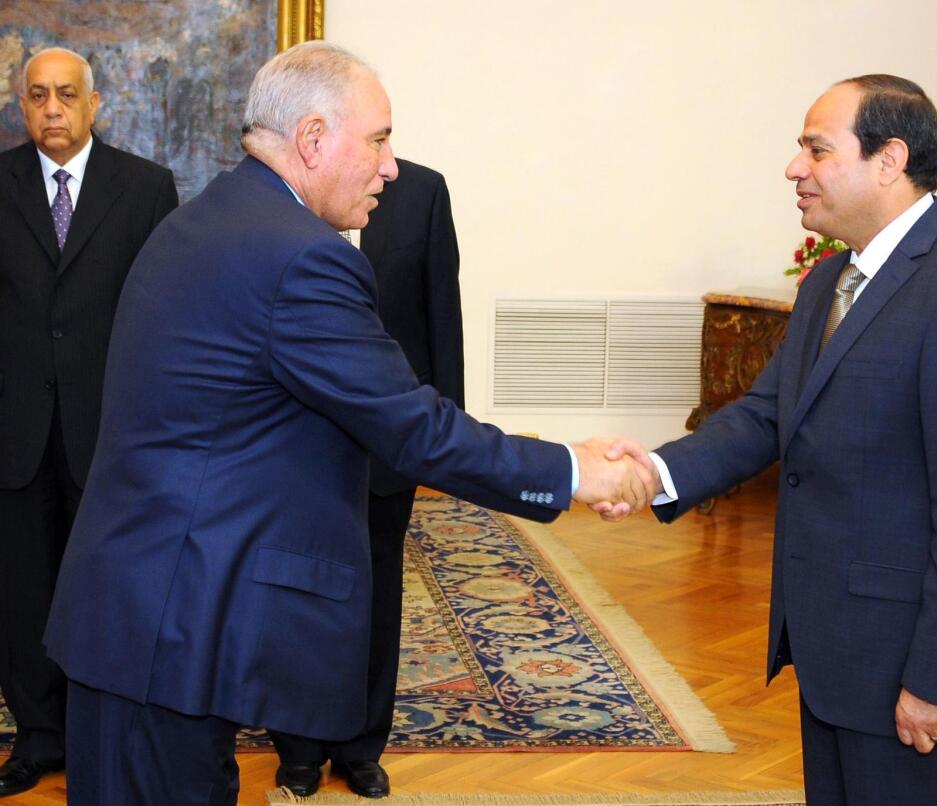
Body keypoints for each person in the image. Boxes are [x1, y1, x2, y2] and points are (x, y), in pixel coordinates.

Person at [41, 41, 650, 805]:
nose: (391, 167)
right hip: (172, 625)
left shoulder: (210, 218)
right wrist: (575, 469)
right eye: (380, 139)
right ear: (315, 139)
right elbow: (414, 428)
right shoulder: (299, 258)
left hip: (143, 610)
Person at [603, 75, 937, 804]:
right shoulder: (830, 281)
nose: (794, 169)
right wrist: (653, 472)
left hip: (907, 665)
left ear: (890, 159)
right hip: (833, 648)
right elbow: (764, 416)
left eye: (816, 148)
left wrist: (936, 679)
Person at [0, 47, 177, 797]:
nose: (52, 110)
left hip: (110, 432)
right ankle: (40, 737)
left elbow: (166, 317)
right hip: (15, 432)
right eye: (37, 96)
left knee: (109, 591)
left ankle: (103, 735)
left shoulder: (144, 188)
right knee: (22, 591)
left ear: (95, 103)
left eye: (66, 96)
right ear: (21, 103)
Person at [269, 159, 466, 797]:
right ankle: (297, 746)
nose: (381, 152)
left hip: (391, 441)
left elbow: (442, 313)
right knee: (293, 591)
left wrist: (445, 438)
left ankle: (360, 744)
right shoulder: (281, 192)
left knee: (379, 591)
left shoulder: (422, 192)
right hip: (294, 440)